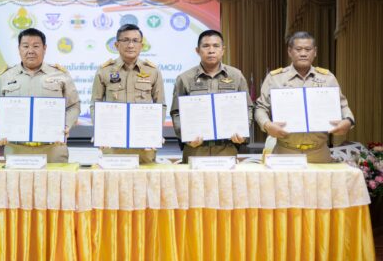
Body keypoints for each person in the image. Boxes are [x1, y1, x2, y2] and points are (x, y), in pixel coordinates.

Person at [255, 31, 354, 163]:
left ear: (315, 52)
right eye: (298, 49)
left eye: (308, 49)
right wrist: (267, 125)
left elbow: (343, 106)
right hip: (285, 152)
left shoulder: (327, 78)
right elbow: (261, 108)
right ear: (290, 51)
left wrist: (348, 121)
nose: (303, 53)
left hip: (319, 152)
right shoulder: (275, 78)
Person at [0, 28, 80, 163]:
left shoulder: (60, 75)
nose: (30, 51)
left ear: (44, 48)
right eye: (25, 46)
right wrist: (1, 127)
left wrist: (66, 126)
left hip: (53, 148)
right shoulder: (6, 76)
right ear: (19, 49)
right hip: (16, 149)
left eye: (36, 46)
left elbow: (74, 105)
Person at [170, 29, 252, 163]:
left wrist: (242, 132)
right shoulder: (184, 78)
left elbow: (247, 108)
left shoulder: (236, 76)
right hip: (195, 148)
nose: (211, 50)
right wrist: (186, 136)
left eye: (216, 46)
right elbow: (176, 112)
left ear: (223, 50)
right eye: (206, 46)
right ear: (197, 50)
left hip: (227, 147)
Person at [90, 23, 165, 164]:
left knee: (145, 177)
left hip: (144, 145)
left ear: (141, 45)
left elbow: (160, 105)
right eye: (125, 40)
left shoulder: (153, 71)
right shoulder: (104, 71)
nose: (130, 45)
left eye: (135, 41)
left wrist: (155, 133)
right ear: (116, 45)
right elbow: (95, 104)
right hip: (112, 144)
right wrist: (100, 132)